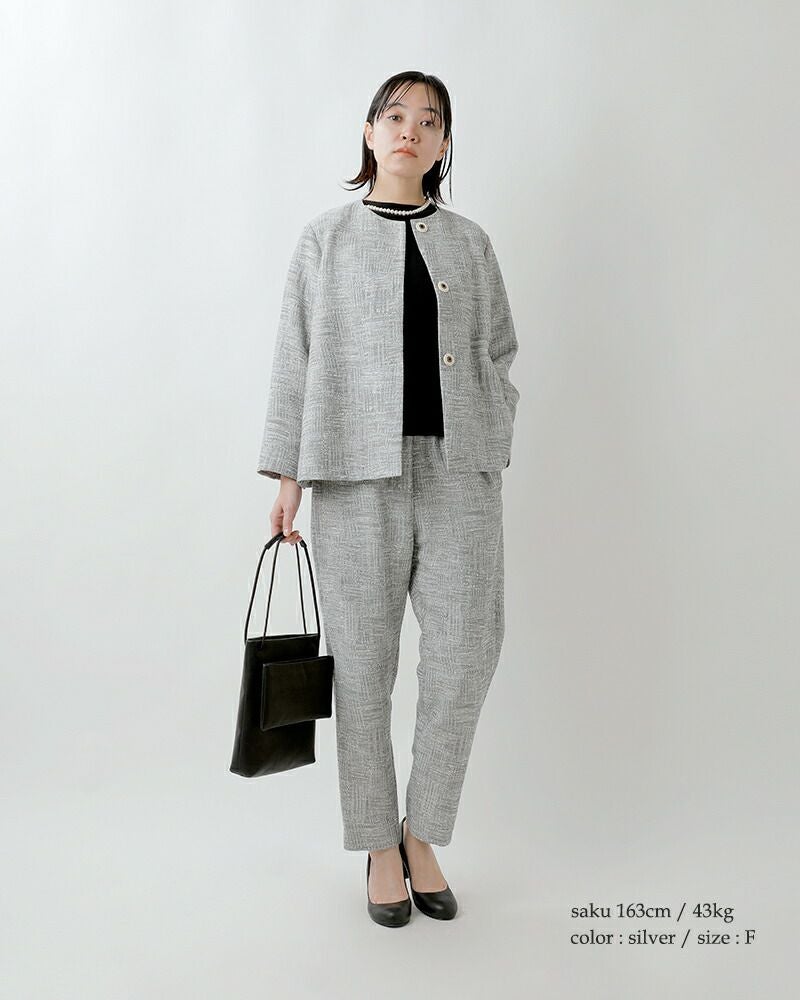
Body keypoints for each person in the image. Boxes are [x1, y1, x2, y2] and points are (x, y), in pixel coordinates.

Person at [256, 71, 520, 927]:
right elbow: (295, 358)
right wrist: (289, 475)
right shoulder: (324, 240)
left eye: (429, 121)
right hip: (352, 473)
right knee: (364, 666)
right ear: (370, 132)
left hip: (459, 473)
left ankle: (423, 832)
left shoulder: (471, 244)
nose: (412, 130)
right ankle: (377, 842)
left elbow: (500, 350)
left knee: (467, 650)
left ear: (443, 145)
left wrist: (492, 427)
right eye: (396, 115)